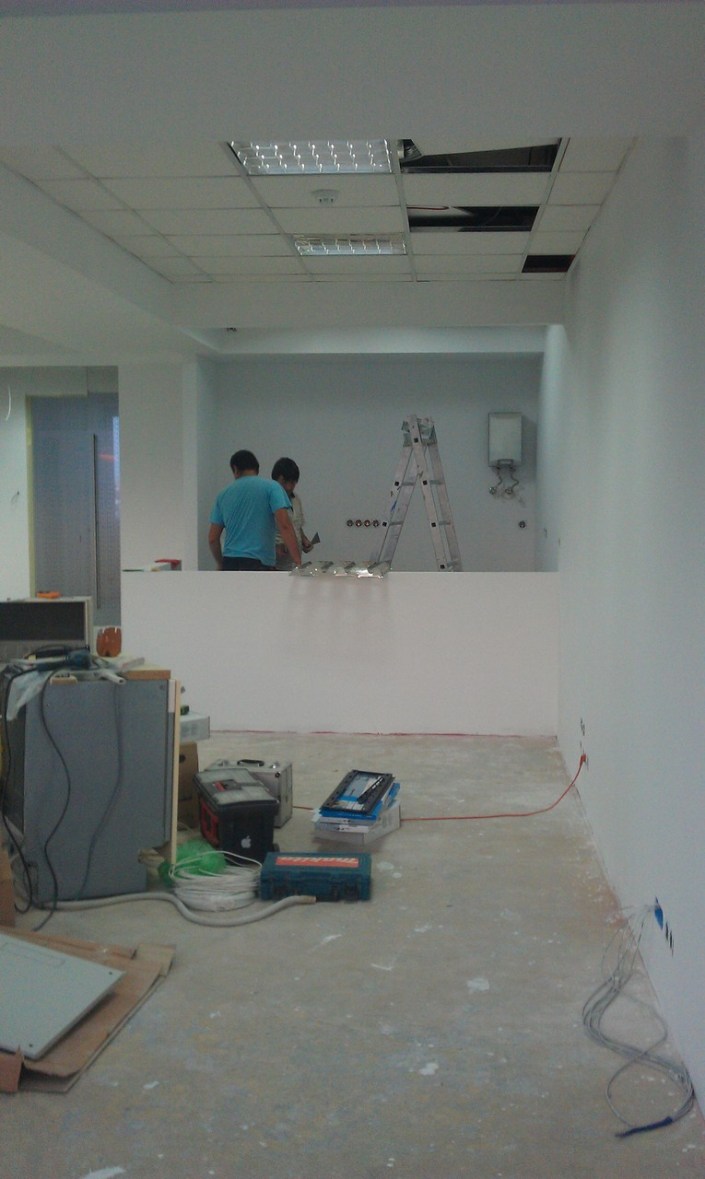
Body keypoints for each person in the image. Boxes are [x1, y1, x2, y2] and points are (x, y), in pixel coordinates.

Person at [208, 449, 301, 571]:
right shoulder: (272, 488)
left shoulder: (223, 495)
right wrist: (297, 561)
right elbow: (285, 525)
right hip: (259, 563)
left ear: (235, 469)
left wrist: (220, 564)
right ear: (257, 468)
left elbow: (213, 538)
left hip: (230, 563)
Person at [271, 456, 314, 571]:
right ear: (275, 480)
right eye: (285, 482)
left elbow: (296, 525)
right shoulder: (267, 501)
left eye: (293, 482)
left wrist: (304, 540)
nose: (289, 487)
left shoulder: (296, 500)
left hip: (293, 563)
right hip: (273, 565)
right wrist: (275, 546)